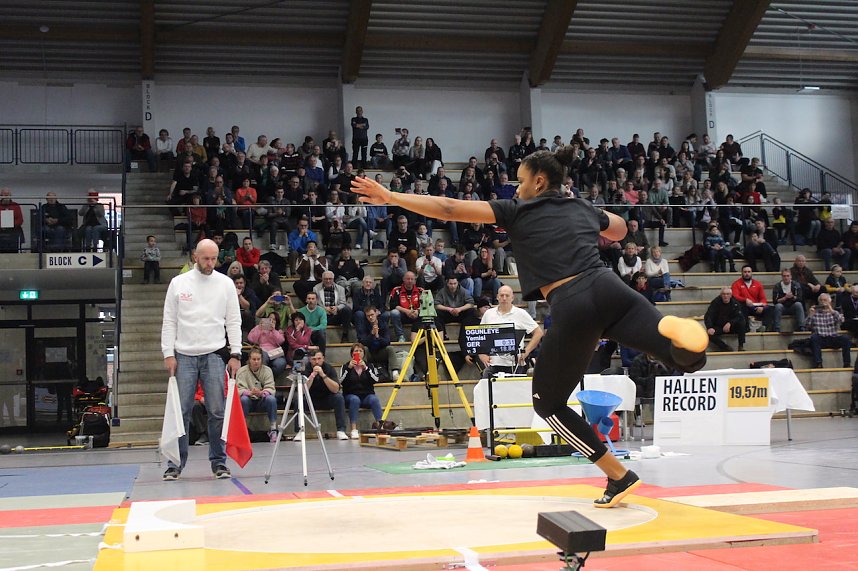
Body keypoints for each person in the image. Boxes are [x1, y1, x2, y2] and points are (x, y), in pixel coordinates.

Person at [351, 146, 708, 508]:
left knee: (549, 403)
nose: (515, 188)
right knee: (686, 360)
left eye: (520, 181)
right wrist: (585, 209)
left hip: (573, 301)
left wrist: (391, 196)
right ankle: (681, 334)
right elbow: (617, 231)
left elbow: (449, 207)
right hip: (612, 288)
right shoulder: (581, 206)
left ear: (539, 181)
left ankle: (618, 475)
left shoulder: (516, 210)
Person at [161, 238, 242, 481]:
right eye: (205, 258)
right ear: (195, 256)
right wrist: (168, 353)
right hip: (184, 355)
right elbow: (170, 321)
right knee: (181, 412)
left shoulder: (225, 284)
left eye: (214, 259)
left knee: (217, 411)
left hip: (215, 354)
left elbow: (233, 320)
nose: (210, 263)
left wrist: (236, 353)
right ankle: (175, 464)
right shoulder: (178, 283)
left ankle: (219, 462)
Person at [471, 285, 544, 376]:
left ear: (512, 298)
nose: (504, 298)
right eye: (501, 295)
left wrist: (526, 351)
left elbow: (538, 332)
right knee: (486, 388)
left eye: (507, 295)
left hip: (515, 364)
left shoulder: (521, 313)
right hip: (493, 363)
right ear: (497, 297)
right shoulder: (488, 314)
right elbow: (481, 335)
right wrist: (481, 354)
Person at [302, 350, 349, 441]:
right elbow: (303, 391)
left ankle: (341, 430)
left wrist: (323, 375)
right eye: (314, 359)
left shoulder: (329, 368)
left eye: (319, 359)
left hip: (327, 398)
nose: (317, 362)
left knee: (339, 398)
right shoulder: (305, 369)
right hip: (311, 399)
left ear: (323, 358)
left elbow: (335, 389)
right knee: (299, 400)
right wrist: (312, 375)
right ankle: (300, 431)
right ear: (309, 360)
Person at [340, 343, 383, 438]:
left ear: (364, 353)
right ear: (352, 354)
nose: (358, 353)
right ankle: (354, 429)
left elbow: (376, 380)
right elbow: (341, 382)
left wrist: (366, 368)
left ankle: (380, 426)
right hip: (350, 395)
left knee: (374, 399)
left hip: (366, 395)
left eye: (360, 351)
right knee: (355, 400)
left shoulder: (370, 365)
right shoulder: (345, 366)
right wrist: (349, 368)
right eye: (356, 351)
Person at [235, 347, 279, 442]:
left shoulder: (267, 370)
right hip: (248, 400)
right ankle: (241, 429)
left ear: (261, 360)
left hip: (262, 400)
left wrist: (262, 393)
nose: (256, 362)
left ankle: (273, 428)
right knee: (243, 400)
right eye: (254, 359)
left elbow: (271, 387)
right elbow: (238, 389)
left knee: (271, 399)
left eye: (258, 359)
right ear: (249, 360)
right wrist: (249, 393)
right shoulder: (242, 371)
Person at [806, 293, 852, 369]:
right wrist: (810, 315)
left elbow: (841, 321)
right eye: (821, 300)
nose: (823, 302)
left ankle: (847, 363)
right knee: (814, 338)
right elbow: (807, 326)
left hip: (833, 338)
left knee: (846, 338)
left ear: (829, 302)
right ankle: (818, 363)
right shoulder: (815, 313)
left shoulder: (834, 313)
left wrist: (831, 310)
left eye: (825, 300)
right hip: (821, 338)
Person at [731, 265, 775, 332]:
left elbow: (763, 298)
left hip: (755, 307)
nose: (747, 274)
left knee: (771, 309)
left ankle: (765, 328)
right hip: (744, 306)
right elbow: (735, 296)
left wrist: (762, 306)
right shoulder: (736, 284)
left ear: (751, 273)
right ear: (742, 273)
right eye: (745, 272)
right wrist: (745, 300)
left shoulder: (758, 284)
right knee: (741, 307)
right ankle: (745, 328)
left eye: (749, 272)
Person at [313, 271, 353, 343]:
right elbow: (315, 304)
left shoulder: (340, 289)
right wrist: (324, 309)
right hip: (323, 316)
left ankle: (345, 334)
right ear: (322, 279)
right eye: (326, 279)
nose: (328, 281)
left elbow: (343, 303)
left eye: (330, 279)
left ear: (333, 279)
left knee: (347, 309)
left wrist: (337, 308)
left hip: (335, 315)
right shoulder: (316, 288)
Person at [704, 287, 746, 352]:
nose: (725, 296)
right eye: (723, 294)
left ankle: (741, 346)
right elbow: (708, 316)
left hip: (731, 326)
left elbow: (739, 316)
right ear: (721, 295)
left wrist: (730, 323)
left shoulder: (735, 303)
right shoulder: (715, 302)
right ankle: (725, 347)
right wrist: (709, 327)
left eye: (727, 294)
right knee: (709, 334)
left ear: (731, 295)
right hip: (719, 326)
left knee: (742, 323)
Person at [773, 268, 806, 333]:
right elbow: (775, 301)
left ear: (791, 276)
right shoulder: (777, 286)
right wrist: (785, 298)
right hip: (783, 307)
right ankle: (777, 328)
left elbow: (800, 298)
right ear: (782, 277)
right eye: (784, 276)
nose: (786, 278)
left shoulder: (796, 285)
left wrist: (792, 297)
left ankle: (802, 327)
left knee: (798, 304)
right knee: (778, 306)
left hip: (792, 306)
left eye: (788, 276)